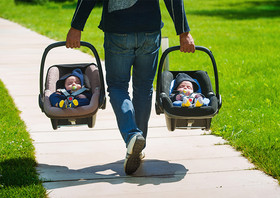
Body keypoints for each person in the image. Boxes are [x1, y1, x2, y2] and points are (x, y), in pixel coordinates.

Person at [66, 0, 195, 175]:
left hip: (118, 30)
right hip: (149, 30)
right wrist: (183, 32)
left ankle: (133, 136)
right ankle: (137, 145)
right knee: (143, 87)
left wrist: (76, 27)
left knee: (118, 87)